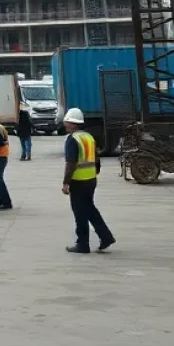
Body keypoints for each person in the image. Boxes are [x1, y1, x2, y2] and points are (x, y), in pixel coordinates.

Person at [62, 108, 115, 254]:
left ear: (73, 123)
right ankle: (106, 237)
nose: (65, 124)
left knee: (80, 213)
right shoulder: (89, 137)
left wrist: (66, 182)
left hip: (78, 182)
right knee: (90, 209)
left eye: (67, 122)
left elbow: (71, 163)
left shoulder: (72, 139)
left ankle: (83, 244)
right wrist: (95, 172)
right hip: (91, 180)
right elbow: (96, 159)